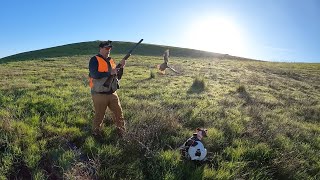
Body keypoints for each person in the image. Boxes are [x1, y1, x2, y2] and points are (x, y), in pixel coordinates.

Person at [88, 40, 126, 137]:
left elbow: (118, 76)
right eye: (106, 48)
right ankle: (95, 134)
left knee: (119, 114)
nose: (108, 50)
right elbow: (94, 74)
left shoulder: (111, 60)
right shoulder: (94, 59)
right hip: (99, 94)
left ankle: (121, 132)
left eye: (110, 48)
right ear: (100, 49)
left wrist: (121, 68)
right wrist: (110, 73)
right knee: (99, 116)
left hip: (112, 93)